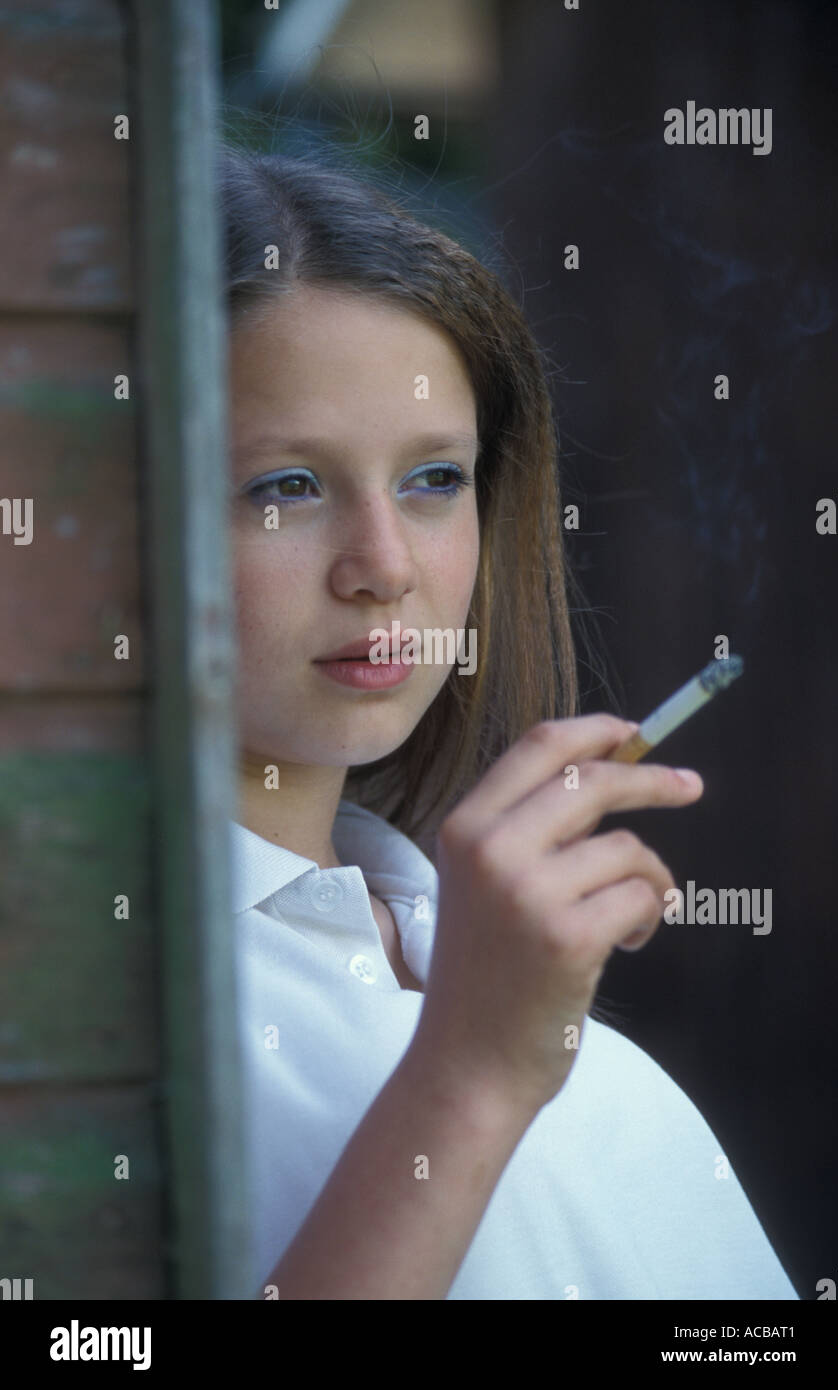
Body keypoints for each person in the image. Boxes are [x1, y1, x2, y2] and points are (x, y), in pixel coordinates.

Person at [222, 138, 798, 1300]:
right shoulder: (79, 1014)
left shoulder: (491, 976)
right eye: (286, 486)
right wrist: (475, 1073)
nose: (384, 568)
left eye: (434, 480)